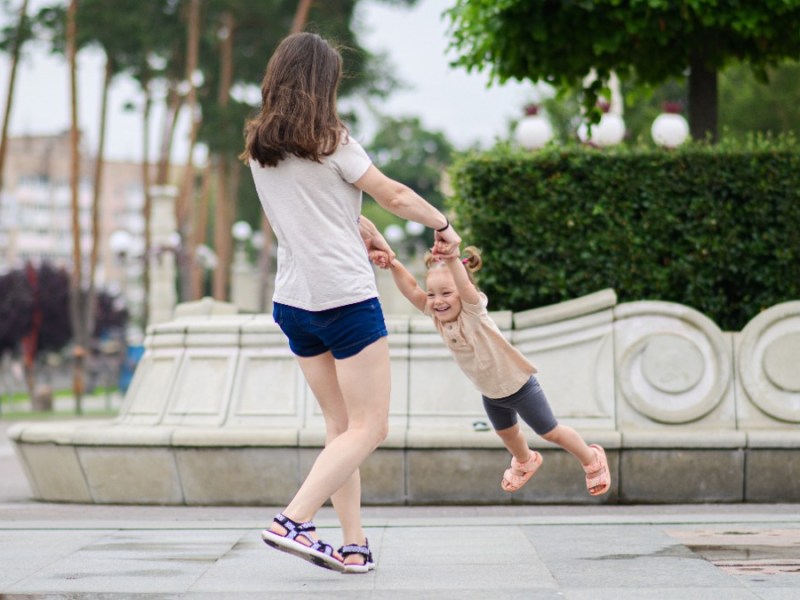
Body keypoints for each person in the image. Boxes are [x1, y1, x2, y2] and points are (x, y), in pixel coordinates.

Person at [239, 32, 461, 574]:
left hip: (294, 301)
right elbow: (395, 195)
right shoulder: (331, 138)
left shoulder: (259, 147)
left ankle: (354, 543)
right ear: (323, 84)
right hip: (344, 297)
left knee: (343, 429)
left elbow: (311, 209)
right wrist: (443, 224)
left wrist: (359, 228)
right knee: (372, 427)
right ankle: (294, 520)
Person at [370, 245, 611, 497]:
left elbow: (464, 286)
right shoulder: (436, 316)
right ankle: (526, 460)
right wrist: (393, 264)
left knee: (549, 431)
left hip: (519, 385)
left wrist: (452, 258)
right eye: (432, 295)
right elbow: (411, 289)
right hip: (491, 392)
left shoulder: (473, 310)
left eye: (446, 293)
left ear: (463, 293)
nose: (438, 301)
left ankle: (591, 457)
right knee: (508, 434)